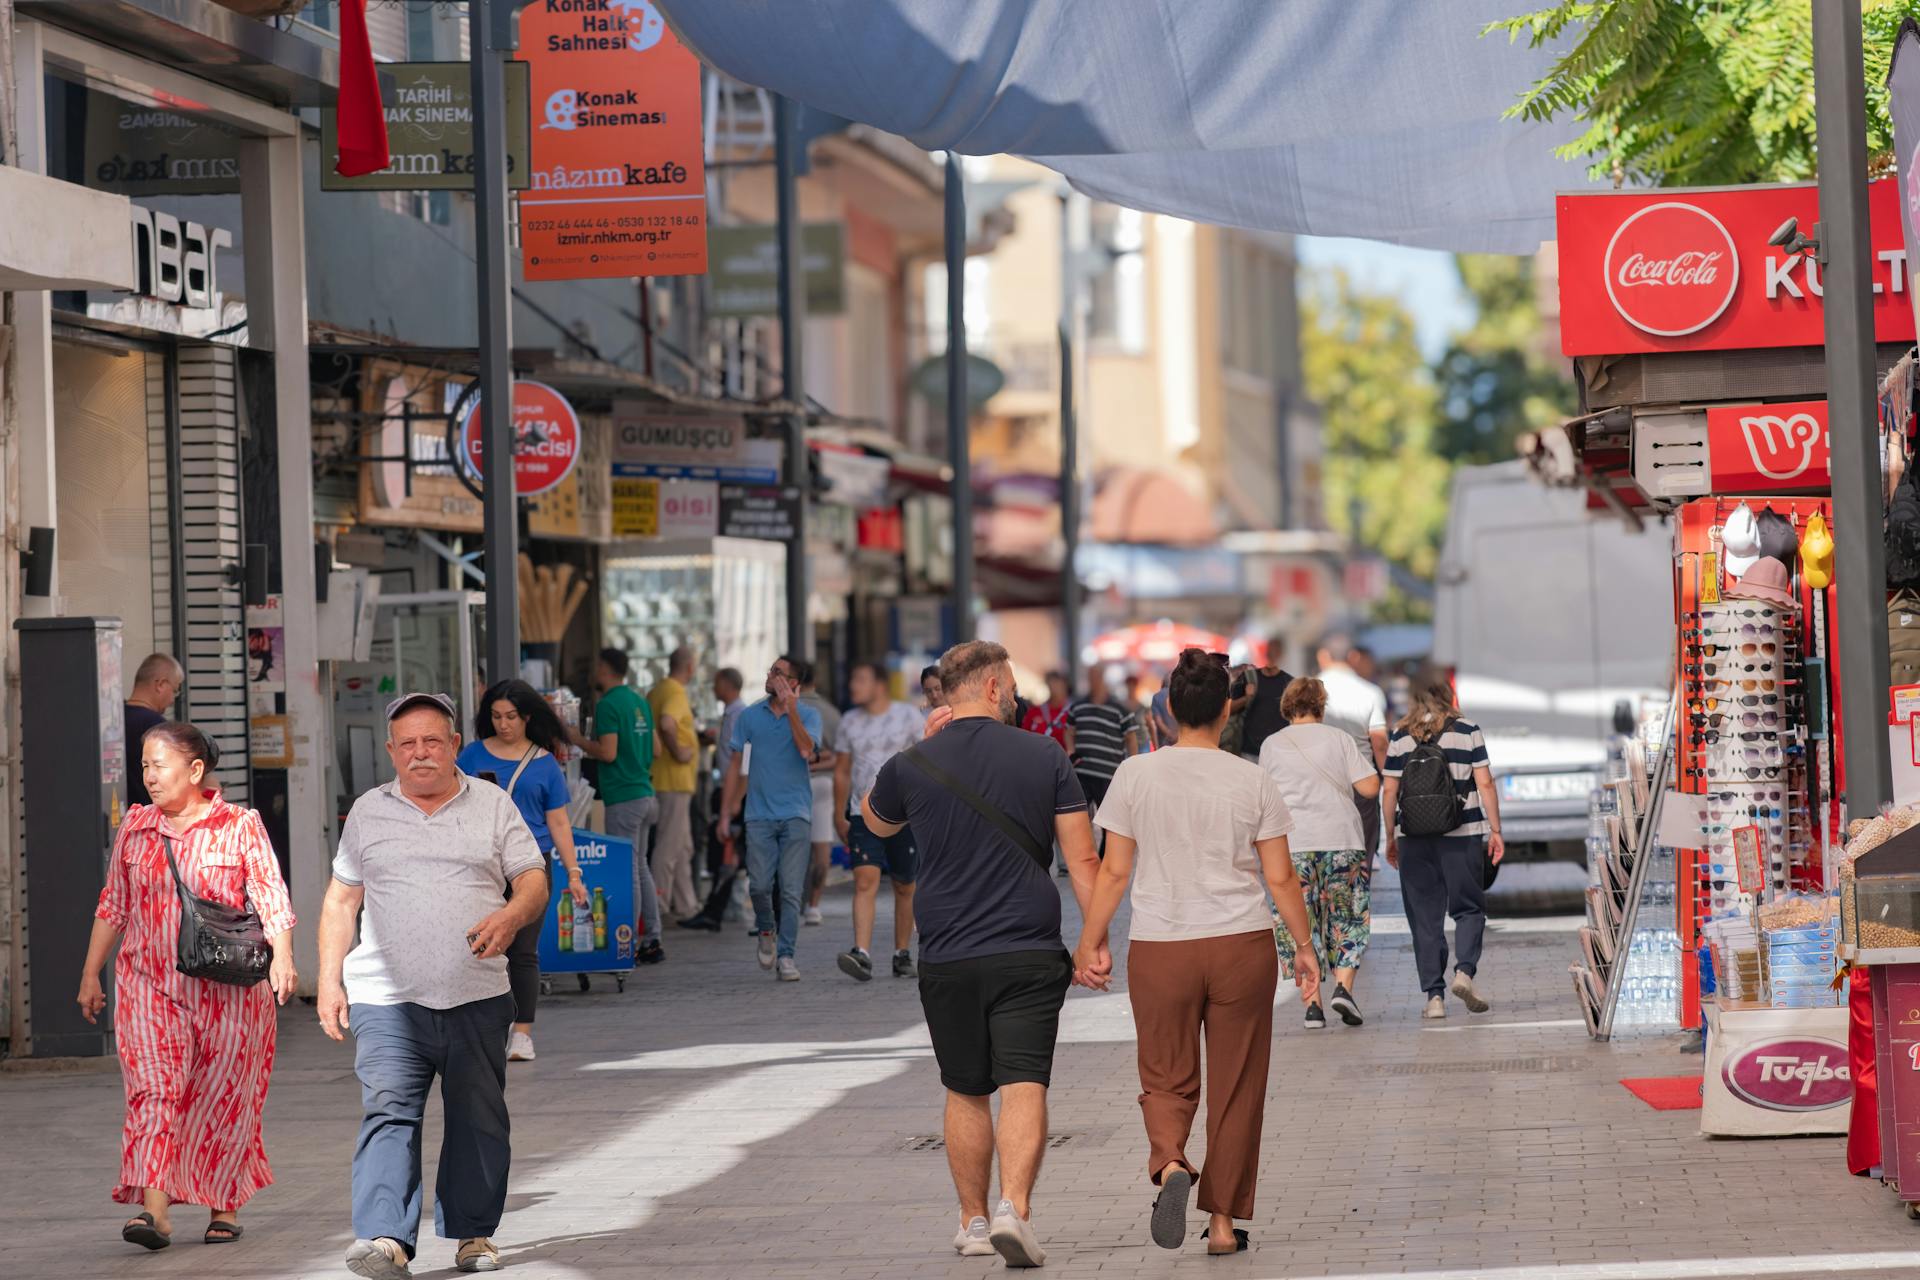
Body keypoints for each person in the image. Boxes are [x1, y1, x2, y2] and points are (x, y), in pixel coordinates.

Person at [861, 640, 1100, 1268]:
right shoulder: (1046, 754)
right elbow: (1082, 860)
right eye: (1012, 685)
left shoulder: (912, 762)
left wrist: (916, 746)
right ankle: (1012, 1210)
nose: (1017, 695)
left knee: (965, 1087)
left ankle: (970, 1221)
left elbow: (873, 824)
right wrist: (1093, 941)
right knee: (1024, 1083)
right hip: (1027, 949)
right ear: (993, 688)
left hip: (946, 954)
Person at [1076, 650, 1318, 1255]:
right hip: (1241, 942)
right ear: (1227, 707)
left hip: (1162, 945)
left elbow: (1114, 872)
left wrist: (1089, 940)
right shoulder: (1250, 776)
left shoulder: (1136, 775)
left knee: (1164, 1075)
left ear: (1169, 708)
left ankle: (1171, 1164)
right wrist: (1306, 947)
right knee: (1238, 1084)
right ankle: (1222, 1225)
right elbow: (1281, 879)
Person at [319, 693, 549, 1279]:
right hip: (385, 999)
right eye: (408, 744)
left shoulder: (493, 805)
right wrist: (327, 980)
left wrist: (508, 917)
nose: (420, 753)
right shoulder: (368, 812)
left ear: (452, 747)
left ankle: (474, 1234)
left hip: (476, 992)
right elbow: (342, 899)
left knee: (477, 1115)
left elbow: (531, 879)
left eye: (432, 741)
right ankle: (385, 1240)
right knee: (389, 1111)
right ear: (392, 752)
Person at [79, 721, 297, 1251]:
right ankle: (154, 1213)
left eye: (160, 765)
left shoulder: (238, 825)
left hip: (229, 992)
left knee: (225, 1095)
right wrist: (90, 972)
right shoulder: (136, 827)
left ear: (195, 770)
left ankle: (225, 1204)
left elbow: (271, 894)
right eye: (145, 766)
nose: (149, 777)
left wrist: (284, 958)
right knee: (155, 1092)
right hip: (149, 986)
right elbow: (115, 904)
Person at [460, 679, 589, 1062]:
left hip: (531, 866)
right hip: (481, 865)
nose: (503, 724)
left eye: (511, 717)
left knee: (523, 951)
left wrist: (575, 872)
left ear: (527, 717)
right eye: (497, 716)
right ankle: (484, 1026)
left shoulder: (544, 763)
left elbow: (559, 823)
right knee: (479, 945)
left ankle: (522, 1033)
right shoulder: (470, 757)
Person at [1259, 676, 1381, 1029]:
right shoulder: (1339, 739)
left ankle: (1312, 1006)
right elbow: (1370, 787)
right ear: (1320, 705)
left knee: (1301, 922)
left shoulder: (1271, 745)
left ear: (1288, 706)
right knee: (1347, 917)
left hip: (1292, 844)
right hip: (1342, 840)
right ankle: (1343, 988)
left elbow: (1263, 796)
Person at [1382, 680, 1505, 1019]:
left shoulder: (1399, 735)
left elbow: (1389, 791)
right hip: (1462, 832)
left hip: (1414, 838)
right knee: (1468, 908)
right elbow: (1485, 782)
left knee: (1424, 917)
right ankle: (1464, 971)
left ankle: (1434, 999)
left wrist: (1390, 836)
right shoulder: (1468, 730)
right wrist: (1495, 830)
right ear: (1450, 698)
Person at [719, 656, 823, 981]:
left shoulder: (809, 714)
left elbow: (807, 750)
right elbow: (737, 764)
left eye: (779, 673)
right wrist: (727, 809)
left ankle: (787, 955)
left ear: (795, 684)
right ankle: (766, 929)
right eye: (771, 671)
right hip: (759, 814)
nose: (772, 676)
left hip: (796, 813)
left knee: (791, 890)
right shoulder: (750, 716)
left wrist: (792, 709)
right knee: (760, 885)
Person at [570, 649, 665, 965]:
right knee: (641, 866)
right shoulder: (639, 702)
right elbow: (657, 748)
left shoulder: (609, 705)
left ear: (604, 668)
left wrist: (577, 740)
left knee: (630, 870)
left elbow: (608, 753)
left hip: (624, 797)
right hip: (647, 792)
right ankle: (652, 938)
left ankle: (632, 946)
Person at [833, 661, 925, 981]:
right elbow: (842, 769)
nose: (852, 685)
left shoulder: (909, 716)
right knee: (865, 881)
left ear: (880, 685)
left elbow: (925, 760)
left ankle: (901, 954)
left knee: (904, 885)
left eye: (860, 678)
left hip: (904, 815)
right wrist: (838, 812)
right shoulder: (849, 721)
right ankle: (862, 953)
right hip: (862, 813)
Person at [680, 667, 748, 933]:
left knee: (729, 850)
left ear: (727, 685)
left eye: (716, 682)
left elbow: (740, 760)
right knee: (726, 851)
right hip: (727, 788)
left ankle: (718, 910)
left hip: (732, 791)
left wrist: (732, 801)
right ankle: (717, 909)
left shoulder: (739, 715)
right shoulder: (732, 714)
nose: (713, 687)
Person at [1314, 633, 1390, 860]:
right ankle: (1357, 891)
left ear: (1323, 656)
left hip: (1319, 780)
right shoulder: (1371, 692)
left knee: (1324, 850)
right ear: (1354, 657)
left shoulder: (1309, 691)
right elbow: (1379, 743)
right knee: (1361, 851)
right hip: (1361, 782)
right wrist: (1390, 782)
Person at [647, 646, 701, 925]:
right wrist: (680, 751)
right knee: (668, 847)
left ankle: (686, 903)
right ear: (690, 667)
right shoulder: (676, 693)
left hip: (664, 779)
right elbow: (668, 724)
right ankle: (660, 906)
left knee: (682, 846)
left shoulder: (656, 691)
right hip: (674, 780)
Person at [798, 661, 842, 927]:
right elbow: (842, 757)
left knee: (793, 847)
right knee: (821, 848)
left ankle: (793, 901)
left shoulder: (784, 710)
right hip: (823, 784)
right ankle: (814, 904)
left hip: (794, 784)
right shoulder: (830, 712)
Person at [1068, 664, 1136, 835]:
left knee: (1110, 824)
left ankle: (1105, 857)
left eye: (1096, 677)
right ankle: (1089, 856)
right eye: (1090, 678)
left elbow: (1131, 737)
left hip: (1108, 774)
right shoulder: (1078, 706)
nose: (1093, 681)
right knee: (1080, 819)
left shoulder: (1119, 710)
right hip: (1083, 771)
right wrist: (1070, 751)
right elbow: (1068, 730)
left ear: (1103, 679)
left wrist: (1132, 765)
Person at [123, 653, 182, 807]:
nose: (172, 700)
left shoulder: (112, 720)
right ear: (161, 684)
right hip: (150, 822)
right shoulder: (159, 729)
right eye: (175, 691)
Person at [1228, 636, 1295, 761]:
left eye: (1276, 650)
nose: (1273, 654)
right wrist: (1246, 698)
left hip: (1277, 754)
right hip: (1249, 752)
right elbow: (1228, 709)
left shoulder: (1290, 683)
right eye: (1271, 649)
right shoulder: (1248, 678)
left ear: (1281, 654)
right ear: (1266, 651)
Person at [1020, 671, 1075, 752]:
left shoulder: (1073, 712)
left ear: (1065, 685)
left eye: (1057, 683)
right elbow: (1023, 739)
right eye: (1050, 684)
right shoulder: (1034, 712)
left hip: (1064, 761)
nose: (1053, 687)